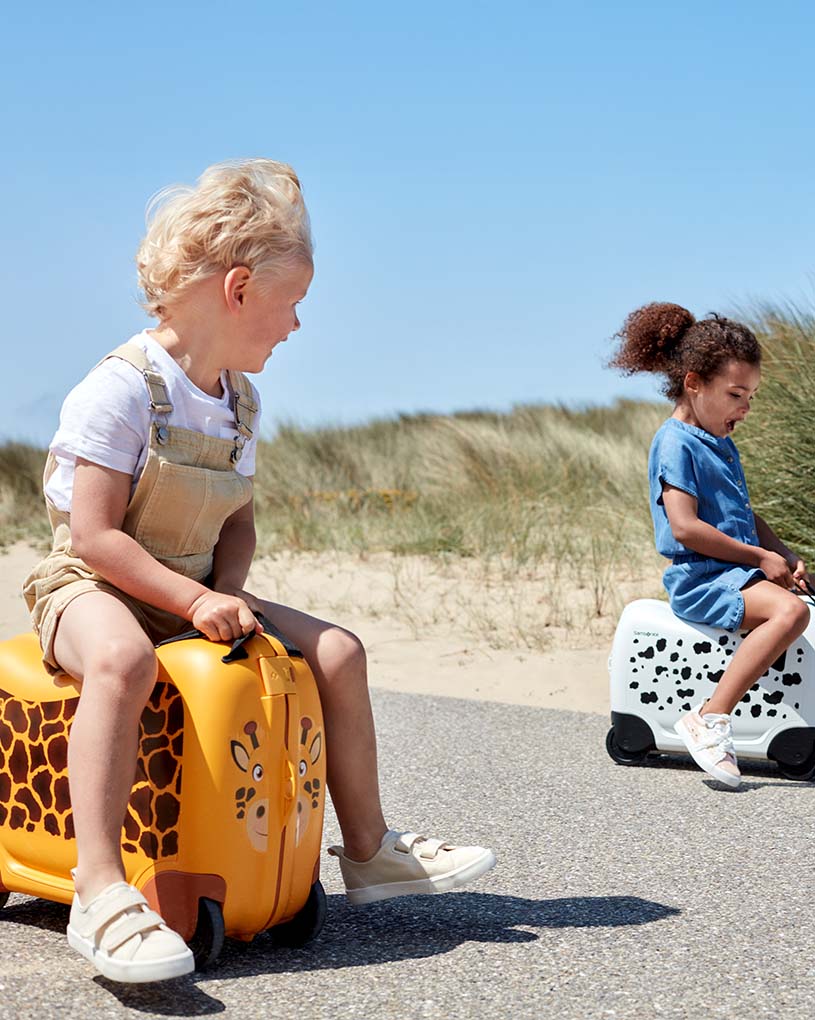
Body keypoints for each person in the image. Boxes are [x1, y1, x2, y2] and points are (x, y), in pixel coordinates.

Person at [23, 159, 496, 984]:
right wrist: (192, 599)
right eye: (293, 303)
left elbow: (236, 518)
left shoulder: (237, 399)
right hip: (92, 587)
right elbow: (95, 538)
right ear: (238, 289)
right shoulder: (121, 390)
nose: (297, 324)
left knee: (338, 650)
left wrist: (225, 590)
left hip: (195, 585)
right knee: (123, 661)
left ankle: (370, 849)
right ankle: (98, 887)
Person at [610, 302, 812, 789]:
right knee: (790, 613)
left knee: (804, 602)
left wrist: (784, 555)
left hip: (734, 573)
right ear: (694, 383)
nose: (745, 408)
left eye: (751, 396)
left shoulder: (718, 441)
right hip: (702, 578)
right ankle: (709, 717)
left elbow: (745, 517)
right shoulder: (675, 443)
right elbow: (685, 528)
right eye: (736, 394)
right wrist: (758, 557)